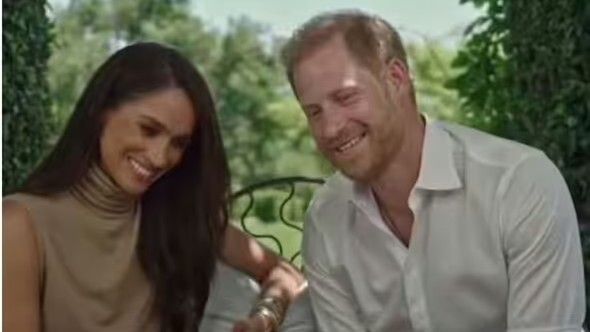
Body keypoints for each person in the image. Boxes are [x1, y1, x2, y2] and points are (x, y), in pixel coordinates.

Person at [281, 10, 586, 331]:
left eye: (345, 97)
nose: (329, 129)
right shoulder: (326, 218)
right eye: (313, 111)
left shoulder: (519, 184)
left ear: (395, 78)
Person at [3, 42, 305, 332]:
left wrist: (264, 318)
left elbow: (285, 274)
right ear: (101, 111)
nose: (161, 157)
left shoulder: (176, 214)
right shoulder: (20, 224)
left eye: (178, 143)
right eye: (148, 130)